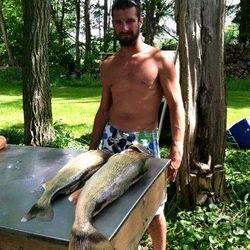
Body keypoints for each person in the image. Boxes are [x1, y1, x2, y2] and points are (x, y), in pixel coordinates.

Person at [69, 0, 185, 249]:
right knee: (104, 201)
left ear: (140, 22)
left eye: (130, 21)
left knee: (154, 206)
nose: (124, 27)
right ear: (113, 25)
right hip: (111, 139)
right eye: (118, 22)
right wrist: (91, 150)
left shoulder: (159, 60)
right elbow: (103, 110)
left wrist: (177, 150)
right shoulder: (109, 65)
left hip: (144, 142)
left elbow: (177, 107)